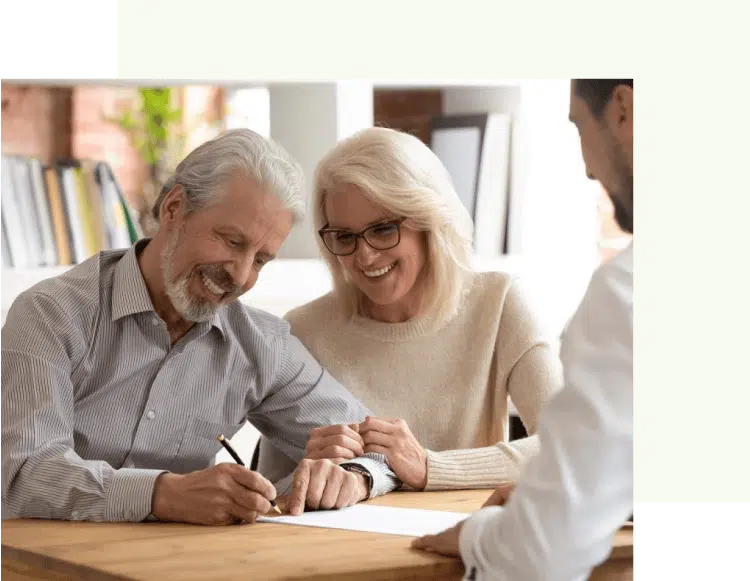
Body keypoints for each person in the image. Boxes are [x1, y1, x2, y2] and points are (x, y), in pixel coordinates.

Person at [0, 129, 399, 525]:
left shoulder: (262, 345)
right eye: (231, 241)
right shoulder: (50, 314)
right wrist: (162, 494)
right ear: (174, 208)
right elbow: (25, 473)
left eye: (261, 259)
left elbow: (379, 449)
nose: (241, 276)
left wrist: (355, 476)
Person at [257, 127, 563, 492]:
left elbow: (569, 444)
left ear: (428, 222)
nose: (365, 256)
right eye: (345, 237)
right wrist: (307, 471)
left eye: (384, 229)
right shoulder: (303, 331)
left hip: (465, 538)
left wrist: (430, 467)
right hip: (347, 544)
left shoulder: (499, 303)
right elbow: (270, 493)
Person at [413, 78, 634, 581]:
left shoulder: (628, 295)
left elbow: (542, 557)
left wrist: (481, 533)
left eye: (580, 127)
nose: (585, 166)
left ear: (623, 109)